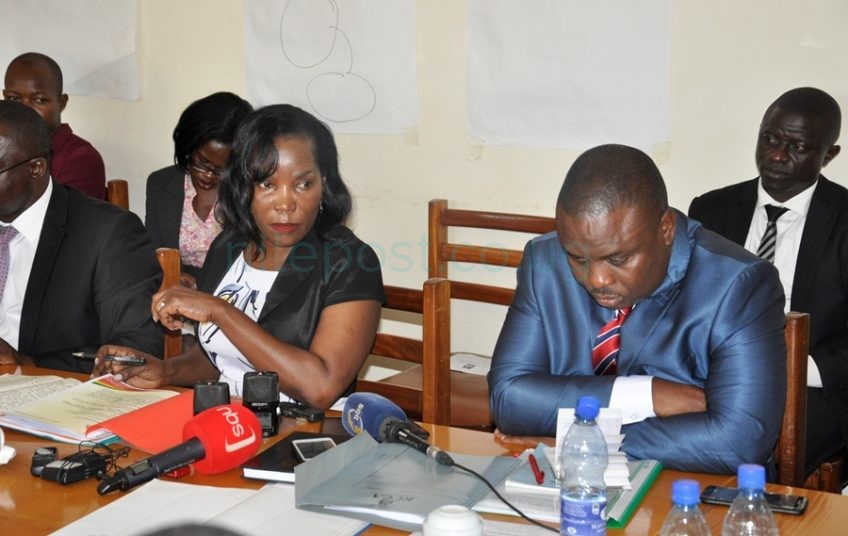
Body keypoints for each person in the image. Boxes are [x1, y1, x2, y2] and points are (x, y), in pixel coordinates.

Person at [488, 144, 787, 474]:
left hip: (690, 488)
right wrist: (647, 396)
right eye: (578, 258)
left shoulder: (738, 285)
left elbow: (737, 443)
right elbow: (508, 399)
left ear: (666, 229)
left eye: (618, 259)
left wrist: (576, 441)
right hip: (568, 484)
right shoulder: (544, 262)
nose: (597, 279)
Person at [93, 104, 385, 409]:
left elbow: (320, 387)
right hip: (228, 421)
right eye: (267, 184)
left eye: (303, 184)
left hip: (305, 429)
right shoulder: (229, 245)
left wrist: (220, 310)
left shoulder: (350, 261)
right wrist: (166, 371)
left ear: (324, 183)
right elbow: (217, 358)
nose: (286, 204)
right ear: (244, 185)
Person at [689, 87, 847, 477]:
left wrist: (794, 368)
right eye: (770, 139)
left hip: (815, 388)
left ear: (829, 155)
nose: (777, 155)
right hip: (716, 374)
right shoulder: (711, 209)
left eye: (798, 147)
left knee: (753, 446)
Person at [0, 101, 162, 372]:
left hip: (52, 388)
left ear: (35, 169)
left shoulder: (108, 233)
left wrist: (27, 364)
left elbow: (136, 348)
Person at [145, 92, 252, 287]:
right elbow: (155, 252)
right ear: (189, 146)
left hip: (233, 292)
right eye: (202, 162)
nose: (208, 175)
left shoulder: (251, 192)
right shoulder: (161, 183)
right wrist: (176, 277)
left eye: (222, 169)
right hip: (176, 291)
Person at [3, 52, 106, 199]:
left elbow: (62, 213)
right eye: (13, 98)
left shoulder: (81, 159)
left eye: (39, 100)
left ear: (61, 103)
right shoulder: (4, 149)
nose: (25, 110)